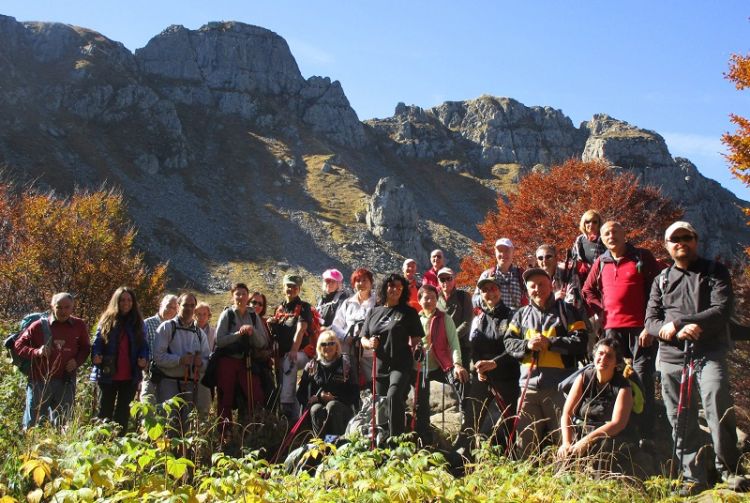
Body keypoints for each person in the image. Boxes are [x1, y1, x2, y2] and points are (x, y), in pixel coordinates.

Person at [645, 221, 750, 495]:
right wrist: (673, 330)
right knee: (679, 418)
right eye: (674, 239)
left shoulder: (715, 272)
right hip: (671, 357)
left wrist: (681, 322)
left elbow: (721, 310)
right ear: (667, 246)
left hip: (709, 352)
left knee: (718, 406)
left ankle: (731, 471)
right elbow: (651, 321)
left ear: (696, 240)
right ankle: (693, 477)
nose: (681, 242)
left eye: (686, 237)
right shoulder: (662, 279)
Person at [581, 221, 661, 440]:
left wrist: (651, 324)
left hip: (640, 329)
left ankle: (646, 432)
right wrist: (601, 310)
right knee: (612, 375)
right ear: (602, 238)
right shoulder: (601, 261)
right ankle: (619, 426)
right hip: (612, 329)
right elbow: (587, 290)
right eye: (606, 233)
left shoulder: (641, 257)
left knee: (643, 376)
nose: (611, 236)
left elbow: (659, 291)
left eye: (616, 231)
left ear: (625, 234)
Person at [504, 268, 588, 456]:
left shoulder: (568, 311)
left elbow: (581, 342)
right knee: (525, 443)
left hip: (561, 388)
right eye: (532, 286)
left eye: (541, 284)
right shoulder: (520, 315)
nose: (537, 289)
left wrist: (551, 343)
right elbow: (508, 343)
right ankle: (527, 482)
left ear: (551, 285)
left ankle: (569, 478)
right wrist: (527, 345)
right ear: (527, 291)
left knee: (565, 441)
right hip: (528, 389)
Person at [457, 277, 519, 450]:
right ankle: (461, 458)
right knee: (471, 418)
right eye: (485, 290)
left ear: (499, 290)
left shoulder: (513, 315)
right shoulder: (478, 318)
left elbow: (515, 346)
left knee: (509, 420)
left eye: (493, 288)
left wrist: (495, 362)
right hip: (483, 376)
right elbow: (473, 347)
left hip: (507, 376)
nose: (489, 293)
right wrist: (477, 366)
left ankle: (509, 459)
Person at [558, 338, 637, 473]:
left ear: (616, 362)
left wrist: (586, 442)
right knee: (565, 457)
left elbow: (618, 424)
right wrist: (566, 443)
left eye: (609, 356)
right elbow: (567, 413)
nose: (603, 359)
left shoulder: (623, 386)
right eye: (600, 354)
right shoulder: (584, 377)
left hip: (607, 439)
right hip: (581, 433)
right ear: (594, 356)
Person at [361, 273, 423, 440]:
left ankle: (397, 441)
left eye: (399, 287)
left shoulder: (409, 312)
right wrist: (370, 343)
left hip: (401, 363)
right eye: (391, 285)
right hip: (380, 365)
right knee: (380, 406)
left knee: (394, 396)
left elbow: (417, 339)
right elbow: (363, 338)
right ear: (384, 287)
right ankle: (381, 442)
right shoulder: (373, 312)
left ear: (403, 290)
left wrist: (418, 350)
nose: (395, 289)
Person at [15, 292, 90, 429]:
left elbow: (85, 348)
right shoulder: (38, 326)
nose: (63, 311)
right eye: (59, 307)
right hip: (39, 381)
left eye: (67, 307)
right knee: (34, 424)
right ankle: (30, 449)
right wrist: (36, 352)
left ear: (72, 307)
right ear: (52, 307)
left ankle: (58, 450)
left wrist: (77, 361)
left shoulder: (79, 325)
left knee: (63, 425)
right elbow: (18, 346)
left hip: (66, 381)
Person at [414, 284, 468, 444]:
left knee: (461, 381)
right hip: (420, 366)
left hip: (441, 364)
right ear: (419, 300)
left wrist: (457, 364)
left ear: (437, 300)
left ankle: (464, 422)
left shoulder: (445, 318)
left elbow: (454, 343)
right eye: (425, 297)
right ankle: (422, 433)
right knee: (420, 400)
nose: (429, 301)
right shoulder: (416, 319)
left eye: (432, 297)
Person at [91, 287, 149, 434]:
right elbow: (98, 341)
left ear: (133, 302)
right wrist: (96, 355)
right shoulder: (107, 320)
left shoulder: (138, 322)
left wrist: (144, 358)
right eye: (122, 300)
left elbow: (144, 345)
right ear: (116, 301)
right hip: (108, 374)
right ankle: (102, 444)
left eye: (129, 300)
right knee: (105, 411)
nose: (126, 303)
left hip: (130, 375)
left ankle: (119, 444)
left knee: (123, 413)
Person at [153, 292, 210, 434]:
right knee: (168, 423)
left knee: (187, 426)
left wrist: (200, 363)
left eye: (192, 306)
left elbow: (207, 360)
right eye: (185, 305)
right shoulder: (167, 327)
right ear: (178, 306)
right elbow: (158, 357)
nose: (189, 309)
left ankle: (185, 454)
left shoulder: (199, 333)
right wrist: (179, 360)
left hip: (190, 384)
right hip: (168, 383)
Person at [214, 283, 267, 433]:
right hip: (227, 361)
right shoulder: (227, 314)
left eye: (244, 294)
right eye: (237, 294)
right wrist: (239, 334)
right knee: (226, 398)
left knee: (255, 394)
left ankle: (254, 430)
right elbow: (219, 340)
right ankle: (224, 433)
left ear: (247, 296)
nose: (241, 297)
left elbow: (262, 342)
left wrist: (252, 331)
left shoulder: (253, 315)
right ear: (232, 297)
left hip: (246, 361)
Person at [268, 274, 315, 421]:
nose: (291, 289)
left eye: (295, 287)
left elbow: (301, 329)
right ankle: (294, 422)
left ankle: (285, 405)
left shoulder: (304, 307)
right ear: (283, 288)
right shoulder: (280, 308)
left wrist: (294, 350)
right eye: (288, 286)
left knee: (290, 362)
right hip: (282, 355)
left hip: (301, 354)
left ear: (299, 289)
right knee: (285, 383)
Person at [296, 330, 358, 437]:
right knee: (315, 409)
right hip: (318, 408)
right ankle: (320, 447)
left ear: (337, 346)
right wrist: (309, 400)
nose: (327, 347)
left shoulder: (346, 363)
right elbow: (300, 393)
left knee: (332, 405)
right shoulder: (312, 365)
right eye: (323, 344)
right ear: (319, 347)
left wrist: (335, 399)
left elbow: (355, 394)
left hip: (342, 409)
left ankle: (337, 443)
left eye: (331, 343)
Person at [330, 267, 377, 388]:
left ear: (371, 283)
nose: (361, 283)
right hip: (349, 351)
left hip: (370, 353)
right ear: (353, 284)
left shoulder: (377, 302)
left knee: (373, 384)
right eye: (358, 280)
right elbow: (336, 325)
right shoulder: (348, 303)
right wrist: (346, 337)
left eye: (365, 280)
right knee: (351, 383)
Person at [141, 294, 178, 403]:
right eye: (168, 306)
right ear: (161, 305)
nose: (170, 310)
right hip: (151, 373)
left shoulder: (176, 327)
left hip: (170, 375)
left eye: (174, 308)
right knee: (148, 405)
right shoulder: (147, 323)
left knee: (166, 407)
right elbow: (142, 346)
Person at [473, 238, 526, 312]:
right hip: (494, 319)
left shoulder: (522, 275)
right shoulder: (487, 275)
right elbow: (474, 300)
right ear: (495, 252)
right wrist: (487, 298)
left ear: (512, 251)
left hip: (517, 321)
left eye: (507, 250)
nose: (503, 254)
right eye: (500, 250)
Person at [436, 267, 474, 369]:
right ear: (438, 281)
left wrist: (450, 339)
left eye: (449, 278)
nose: (446, 282)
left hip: (462, 346)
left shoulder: (464, 296)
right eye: (442, 279)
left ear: (454, 279)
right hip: (442, 348)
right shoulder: (436, 299)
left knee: (462, 378)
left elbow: (467, 322)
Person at [250, 291, 276, 406]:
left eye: (260, 304)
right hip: (249, 365)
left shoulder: (265, 323)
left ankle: (268, 421)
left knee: (270, 395)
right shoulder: (243, 318)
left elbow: (271, 344)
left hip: (265, 365)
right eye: (254, 302)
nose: (257, 306)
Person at [570, 209, 606, 285]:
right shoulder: (579, 240)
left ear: (599, 224)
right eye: (588, 222)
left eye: (595, 222)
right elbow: (574, 260)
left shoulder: (604, 240)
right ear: (583, 224)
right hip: (582, 281)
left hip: (601, 280)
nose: (591, 224)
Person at [193, 301, 215, 416]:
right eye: (198, 314)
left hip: (207, 372)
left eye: (204, 314)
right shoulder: (189, 329)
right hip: (190, 371)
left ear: (209, 316)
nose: (201, 317)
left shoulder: (213, 332)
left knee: (205, 404)